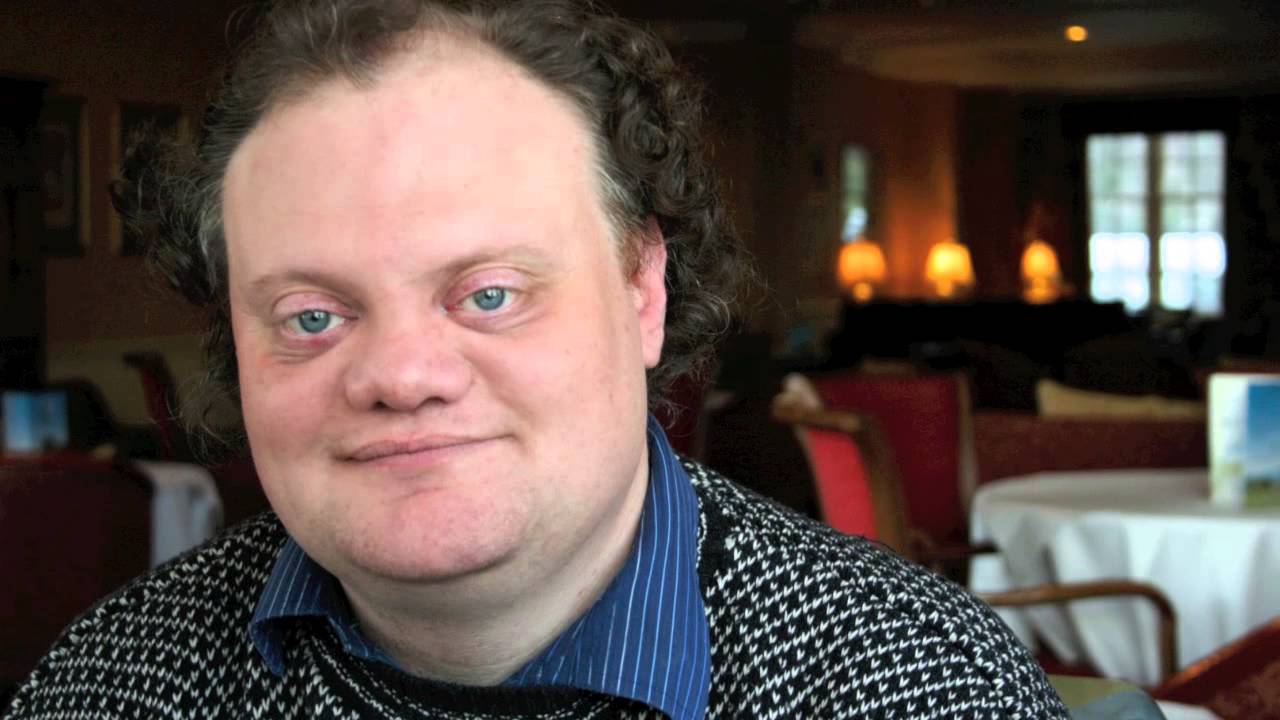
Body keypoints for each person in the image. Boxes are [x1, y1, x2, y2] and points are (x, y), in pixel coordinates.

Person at [5, 1, 1068, 717]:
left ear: (642, 291)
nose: (403, 375)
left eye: (489, 294)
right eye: (312, 316)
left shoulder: (918, 685)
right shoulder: (109, 686)